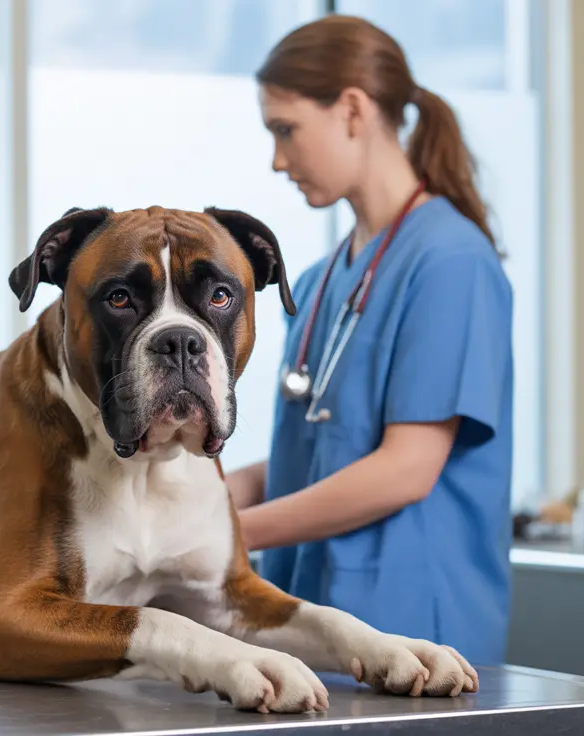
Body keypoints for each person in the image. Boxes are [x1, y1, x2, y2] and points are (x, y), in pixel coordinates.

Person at [224, 15, 515, 667]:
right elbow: (323, 452)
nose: (277, 159)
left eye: (285, 129)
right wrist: (202, 497)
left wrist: (228, 536)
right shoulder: (319, 281)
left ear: (352, 109)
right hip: (314, 621)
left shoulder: (450, 263)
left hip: (418, 630)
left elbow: (405, 469)